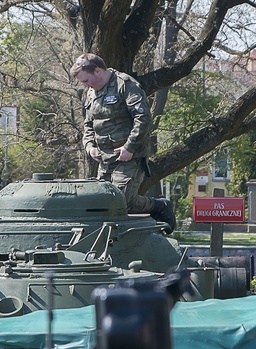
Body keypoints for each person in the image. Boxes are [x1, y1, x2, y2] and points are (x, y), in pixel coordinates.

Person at [70, 53, 176, 233]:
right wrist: (89, 147)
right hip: (105, 158)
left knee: (120, 202)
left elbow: (143, 118)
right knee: (102, 203)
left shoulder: (125, 85)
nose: (85, 85)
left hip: (129, 156)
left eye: (86, 80)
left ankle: (159, 206)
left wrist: (130, 147)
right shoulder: (90, 92)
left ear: (98, 71)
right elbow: (88, 124)